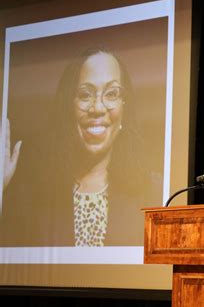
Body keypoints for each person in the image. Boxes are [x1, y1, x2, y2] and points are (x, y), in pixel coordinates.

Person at [1, 46, 160, 247]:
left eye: (111, 94)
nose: (98, 108)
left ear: (123, 106)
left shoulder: (153, 190)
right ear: (68, 105)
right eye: (85, 95)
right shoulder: (33, 195)